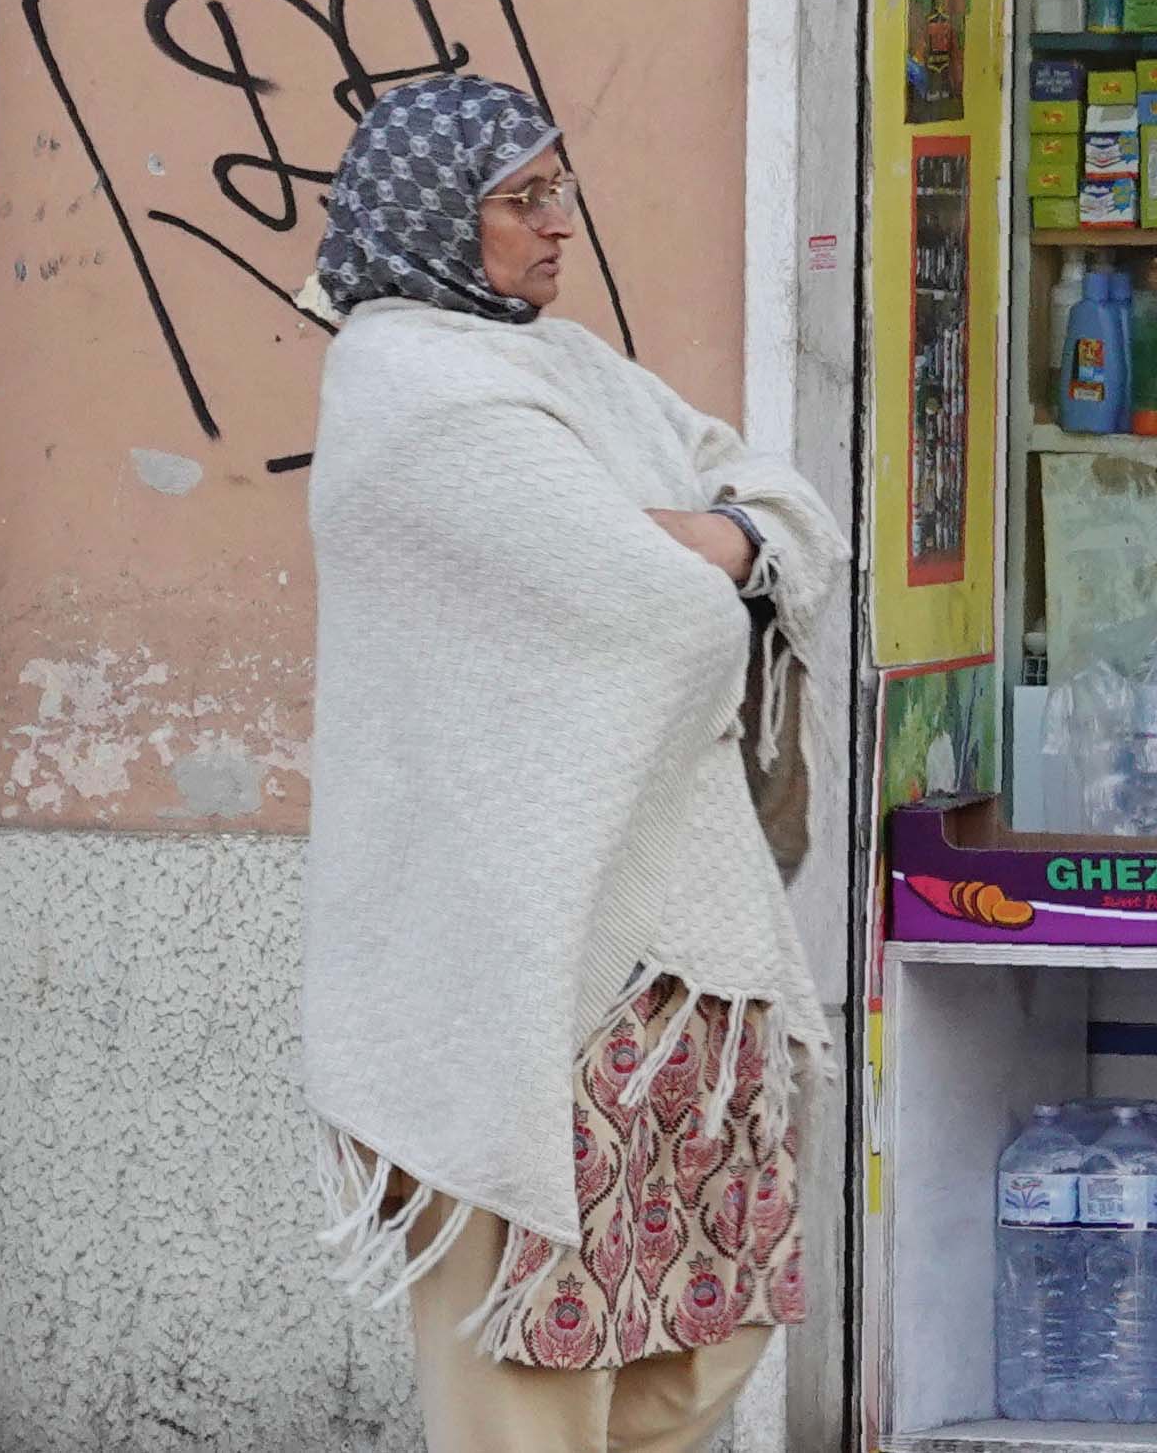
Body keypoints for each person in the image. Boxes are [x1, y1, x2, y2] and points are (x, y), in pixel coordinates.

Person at [295, 75, 848, 1453]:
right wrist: (720, 548)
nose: (560, 228)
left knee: (686, 1326)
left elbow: (787, 508)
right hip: (507, 952)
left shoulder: (571, 367)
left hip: (658, 952)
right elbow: (657, 620)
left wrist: (711, 534)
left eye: (563, 191)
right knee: (523, 1356)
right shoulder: (413, 390)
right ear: (436, 215)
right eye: (522, 199)